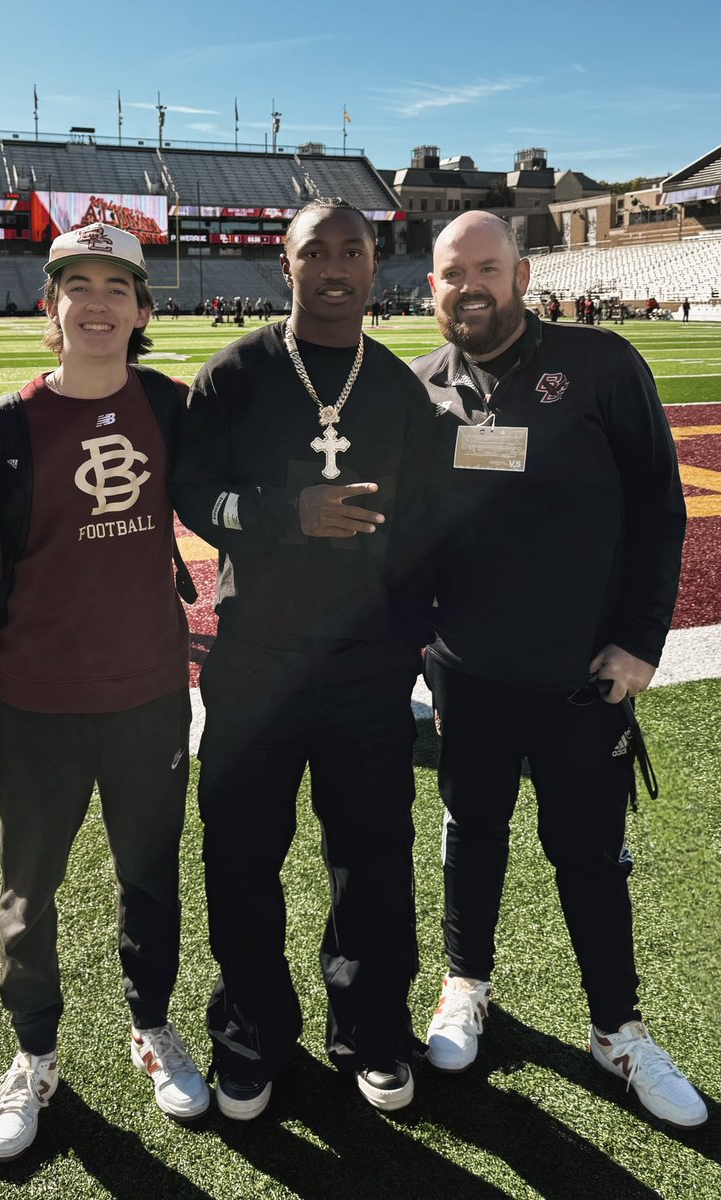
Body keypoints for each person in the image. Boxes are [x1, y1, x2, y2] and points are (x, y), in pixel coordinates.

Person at [410, 212, 708, 1130]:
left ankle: (616, 1028)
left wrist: (641, 642)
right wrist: (416, 646)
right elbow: (408, 536)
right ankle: (465, 985)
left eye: (486, 267)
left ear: (522, 275)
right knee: (472, 830)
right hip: (468, 673)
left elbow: (658, 509)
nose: (469, 285)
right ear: (432, 285)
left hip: (583, 674)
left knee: (588, 855)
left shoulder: (600, 362)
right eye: (452, 272)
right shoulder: (418, 387)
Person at [0, 222, 208, 1163]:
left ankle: (151, 1025)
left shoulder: (171, 406)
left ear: (142, 309)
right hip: (38, 703)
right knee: (28, 892)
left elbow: (236, 502)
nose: (96, 302)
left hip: (150, 697)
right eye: (77, 284)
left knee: (149, 877)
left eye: (116, 286)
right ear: (50, 305)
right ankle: (35, 1054)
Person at [173, 198, 434, 1120]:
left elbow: (426, 528)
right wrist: (287, 516)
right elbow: (193, 495)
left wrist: (412, 643)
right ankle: (250, 1033)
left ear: (374, 266)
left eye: (351, 251)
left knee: (373, 854)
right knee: (242, 853)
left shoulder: (398, 389)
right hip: (257, 657)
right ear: (283, 265)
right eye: (313, 251)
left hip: (367, 663)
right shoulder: (235, 373)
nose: (333, 267)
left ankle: (371, 1027)